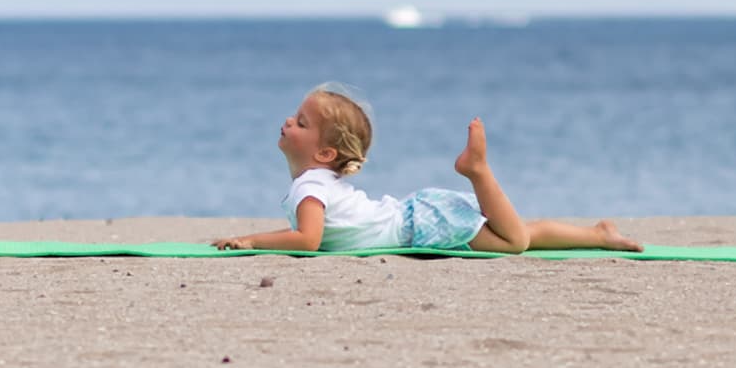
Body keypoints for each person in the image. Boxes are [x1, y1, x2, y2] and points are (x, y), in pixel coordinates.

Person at [213, 84, 642, 254]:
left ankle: (478, 170)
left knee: (515, 242)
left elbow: (307, 240)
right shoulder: (319, 180)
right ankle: (597, 234)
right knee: (519, 231)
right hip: (422, 215)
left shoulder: (311, 186)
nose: (289, 121)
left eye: (302, 122)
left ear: (326, 154)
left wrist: (251, 240)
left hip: (423, 226)